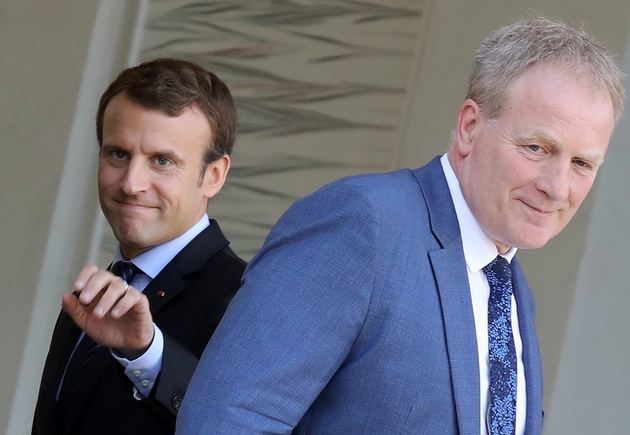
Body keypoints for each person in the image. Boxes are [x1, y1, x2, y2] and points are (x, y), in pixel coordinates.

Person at [175, 18, 624, 435]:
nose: (558, 187)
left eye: (583, 163)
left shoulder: (508, 284)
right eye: (537, 148)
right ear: (469, 127)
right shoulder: (364, 223)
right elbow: (226, 418)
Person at [32, 58, 246, 435]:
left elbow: (239, 425)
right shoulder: (92, 296)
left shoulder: (247, 298)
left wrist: (148, 353)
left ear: (213, 176)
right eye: (118, 154)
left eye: (162, 161)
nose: (131, 183)